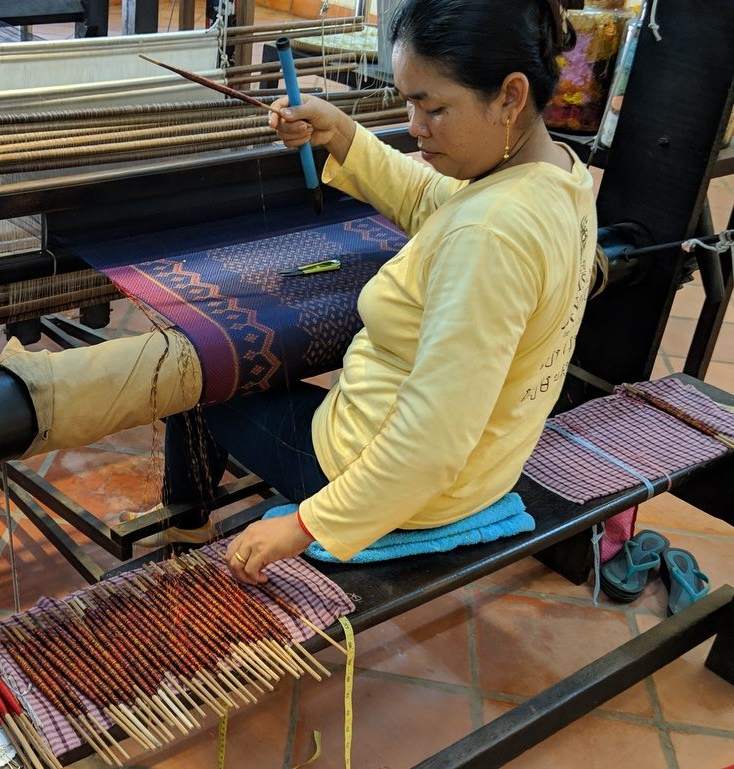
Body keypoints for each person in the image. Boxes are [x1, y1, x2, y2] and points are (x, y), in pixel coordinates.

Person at [154, 0, 597, 584]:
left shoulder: (490, 234)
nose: (415, 127)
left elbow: (432, 441)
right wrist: (339, 134)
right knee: (253, 364)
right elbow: (428, 200)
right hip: (485, 466)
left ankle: (184, 538)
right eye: (410, 103)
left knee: (203, 372)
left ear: (510, 96)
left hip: (394, 484)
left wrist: (307, 525)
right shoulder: (556, 174)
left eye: (433, 108)